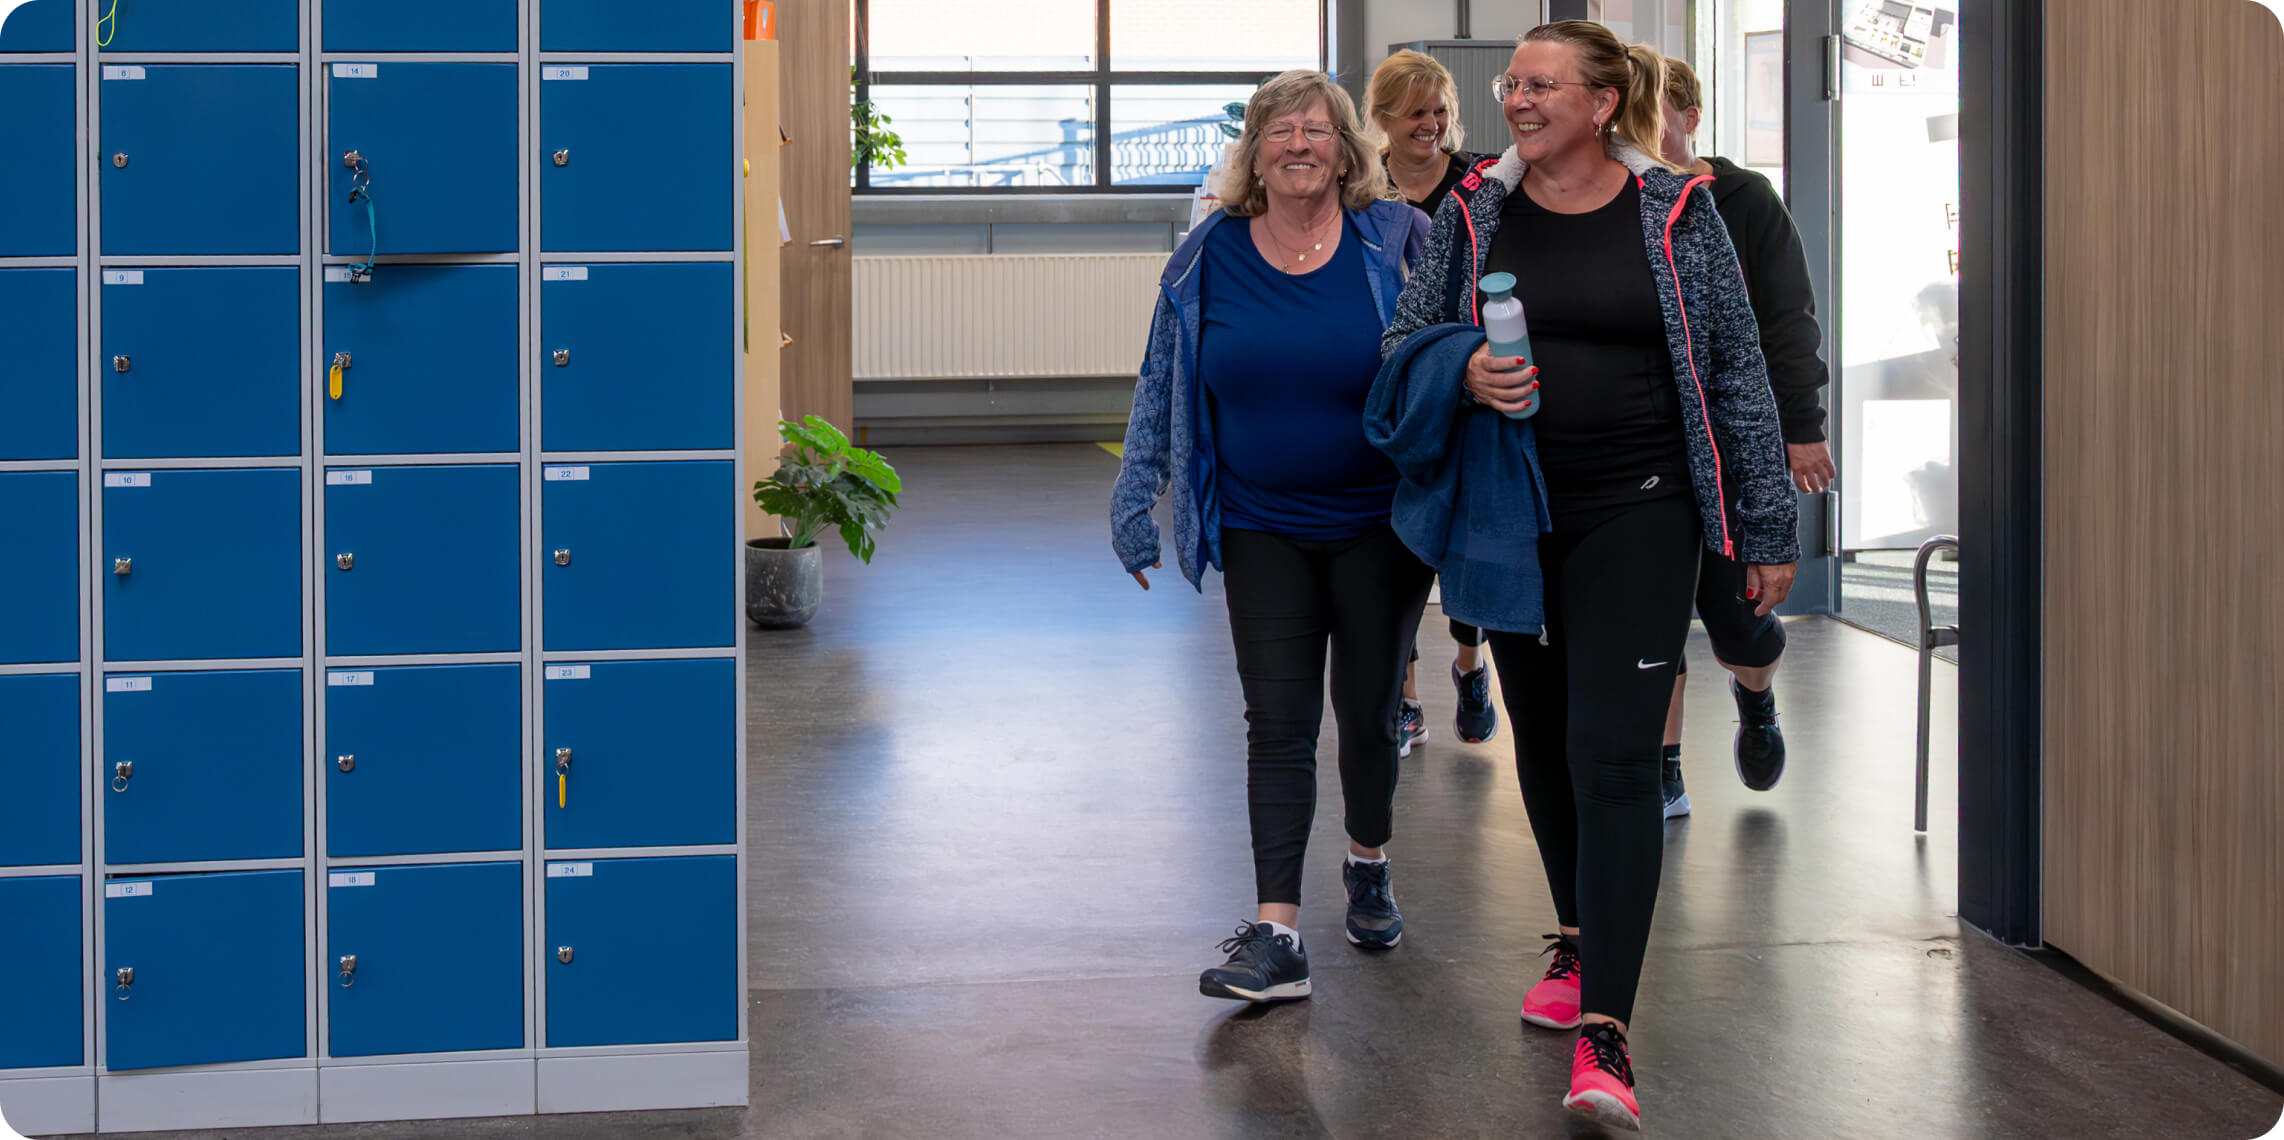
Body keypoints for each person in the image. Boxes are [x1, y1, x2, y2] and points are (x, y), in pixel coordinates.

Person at [1375, 22, 1799, 1130]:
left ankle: (1605, 1028)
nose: (1516, 99)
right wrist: (1462, 366)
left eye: (1541, 84)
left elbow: (1737, 369)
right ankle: (1573, 935)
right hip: (1512, 514)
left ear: (1604, 102)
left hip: (1641, 510)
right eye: (1511, 83)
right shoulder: (1474, 213)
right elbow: (1403, 345)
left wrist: (1764, 527)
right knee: (1548, 741)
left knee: (1615, 755)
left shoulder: (1676, 213)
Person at [1110, 70, 1433, 1005]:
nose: (1299, 144)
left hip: (1381, 522)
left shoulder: (1397, 241)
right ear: (1253, 151)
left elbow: (1449, 354)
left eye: (1318, 130)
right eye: (1279, 131)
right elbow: (1160, 383)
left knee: (1369, 711)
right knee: (1277, 722)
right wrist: (1137, 501)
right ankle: (1277, 930)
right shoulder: (1208, 253)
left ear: (1347, 148)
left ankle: (1367, 861)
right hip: (1260, 523)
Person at [1650, 56, 1834, 818]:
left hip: (1737, 444)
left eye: (1655, 111)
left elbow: (1788, 322)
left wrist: (1802, 429)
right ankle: (1663, 763)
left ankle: (1755, 697)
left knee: (1740, 624)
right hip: (1650, 448)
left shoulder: (1745, 200)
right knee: (1652, 618)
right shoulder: (1615, 199)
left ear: (1691, 117)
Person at [1365, 49, 1504, 753]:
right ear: (1383, 119)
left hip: (1467, 383)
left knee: (1465, 535)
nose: (1432, 123)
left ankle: (1469, 664)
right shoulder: (1361, 189)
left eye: (1440, 109)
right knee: (1398, 547)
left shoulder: (1482, 182)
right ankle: (1407, 698)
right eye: (1416, 112)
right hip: (1393, 382)